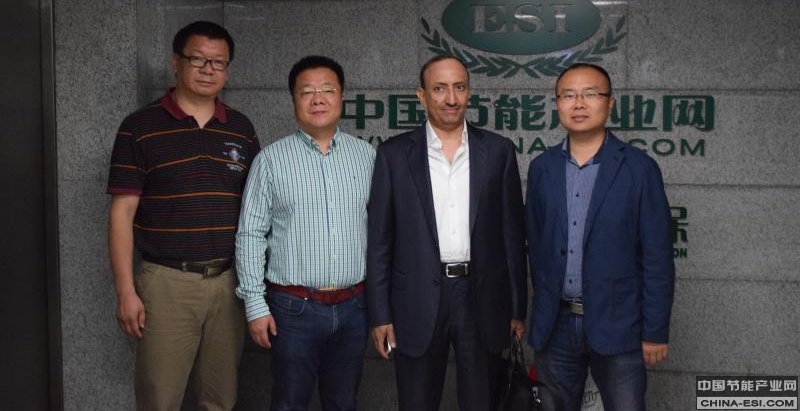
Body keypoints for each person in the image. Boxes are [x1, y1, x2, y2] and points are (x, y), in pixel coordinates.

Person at [107, 21, 260, 410]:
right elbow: (122, 212)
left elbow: (256, 211)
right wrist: (125, 291)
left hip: (228, 283)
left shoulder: (240, 128)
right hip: (166, 283)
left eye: (218, 62)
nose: (209, 70)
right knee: (160, 398)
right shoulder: (139, 127)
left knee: (220, 398)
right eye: (198, 59)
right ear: (176, 62)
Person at [367, 55, 527, 411]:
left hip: (481, 297)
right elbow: (379, 241)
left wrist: (517, 308)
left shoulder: (497, 151)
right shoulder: (394, 155)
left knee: (482, 401)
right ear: (422, 96)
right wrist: (380, 315)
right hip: (416, 298)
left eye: (459, 87)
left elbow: (512, 236)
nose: (451, 98)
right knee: (417, 402)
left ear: (469, 93)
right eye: (439, 88)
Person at [525, 63, 675, 411]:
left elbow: (657, 257)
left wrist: (655, 330)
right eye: (568, 95)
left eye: (590, 94)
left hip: (620, 323)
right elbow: (536, 245)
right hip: (555, 325)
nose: (578, 103)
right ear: (557, 104)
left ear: (610, 103)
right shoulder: (542, 168)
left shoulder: (639, 168)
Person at [235, 55, 376, 411]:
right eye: (307, 92)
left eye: (327, 90)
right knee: (289, 402)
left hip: (355, 308)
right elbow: (250, 234)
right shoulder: (271, 160)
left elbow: (382, 231)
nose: (318, 99)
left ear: (341, 96)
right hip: (292, 309)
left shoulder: (367, 157)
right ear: (294, 100)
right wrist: (255, 305)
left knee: (343, 402)